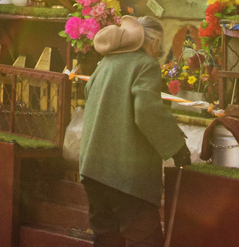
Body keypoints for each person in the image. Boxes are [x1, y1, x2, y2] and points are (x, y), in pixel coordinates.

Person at [79, 16, 189, 247]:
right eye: (160, 44)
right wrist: (176, 147)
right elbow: (147, 111)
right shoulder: (145, 64)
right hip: (126, 174)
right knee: (145, 239)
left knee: (106, 239)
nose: (160, 50)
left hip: (93, 169)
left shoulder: (106, 63)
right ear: (152, 43)